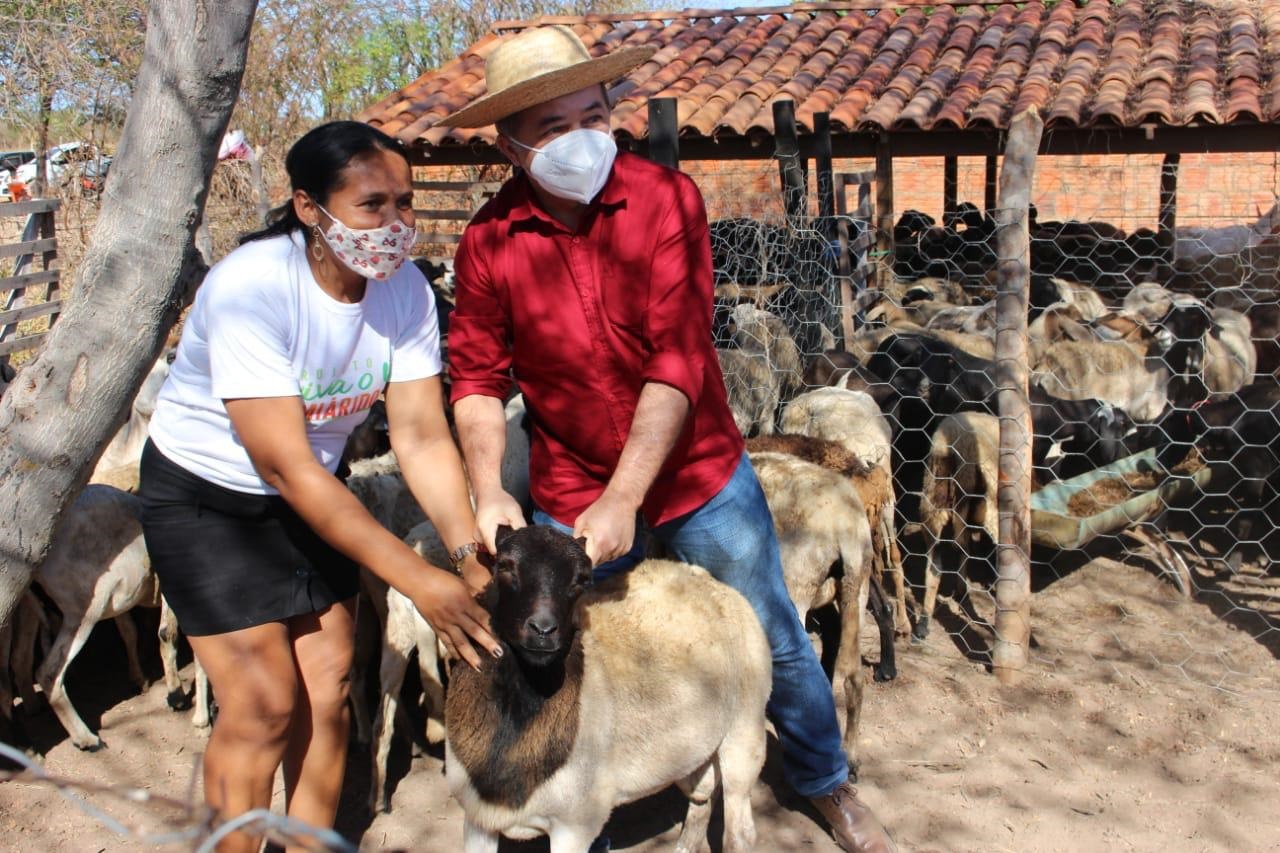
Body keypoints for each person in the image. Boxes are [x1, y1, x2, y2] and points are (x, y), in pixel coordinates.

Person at [441, 25, 897, 853]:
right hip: (571, 482)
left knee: (766, 625)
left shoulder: (666, 201)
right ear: (510, 146)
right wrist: (489, 487)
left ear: (613, 106)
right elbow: (475, 378)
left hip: (697, 474)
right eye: (550, 130)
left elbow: (678, 360)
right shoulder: (488, 242)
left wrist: (627, 495)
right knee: (572, 641)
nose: (579, 138)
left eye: (591, 112)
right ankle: (572, 787)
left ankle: (827, 781)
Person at [139, 121, 501, 852]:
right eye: (373, 205)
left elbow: (423, 436)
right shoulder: (251, 287)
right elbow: (284, 465)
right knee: (263, 702)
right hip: (209, 498)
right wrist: (416, 580)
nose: (396, 225)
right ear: (308, 208)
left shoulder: (405, 295)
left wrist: (465, 550)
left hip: (315, 496)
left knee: (330, 683)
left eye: (405, 203)